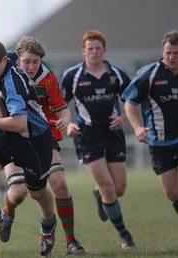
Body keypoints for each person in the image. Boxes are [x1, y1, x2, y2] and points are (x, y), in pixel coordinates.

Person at [0, 36, 85, 255]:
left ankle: (69, 240)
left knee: (59, 183)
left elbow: (61, 106)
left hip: (43, 136)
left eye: (36, 61)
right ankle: (8, 213)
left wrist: (65, 118)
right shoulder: (4, 74)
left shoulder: (47, 77)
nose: (32, 66)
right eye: (27, 61)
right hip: (12, 138)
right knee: (18, 193)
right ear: (17, 60)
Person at [0, 39, 56, 257]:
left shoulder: (12, 83)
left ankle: (48, 227)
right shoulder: (4, 59)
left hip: (33, 140)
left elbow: (20, 123)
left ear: (3, 62)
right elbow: (7, 53)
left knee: (37, 193)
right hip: (6, 134)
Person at [60, 30, 136, 249]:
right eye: (90, 48)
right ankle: (125, 235)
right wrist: (69, 124)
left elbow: (132, 99)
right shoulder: (72, 76)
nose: (94, 52)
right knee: (108, 187)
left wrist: (123, 117)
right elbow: (59, 104)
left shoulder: (116, 74)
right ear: (83, 51)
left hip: (113, 134)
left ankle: (99, 193)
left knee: (119, 188)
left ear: (104, 50)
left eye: (98, 48)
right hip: (87, 136)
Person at [123, 30, 178, 216]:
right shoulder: (149, 74)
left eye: (176, 53)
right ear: (162, 51)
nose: (171, 57)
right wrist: (138, 127)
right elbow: (130, 104)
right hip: (159, 143)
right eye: (168, 53)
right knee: (172, 193)